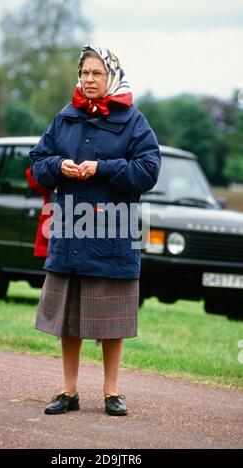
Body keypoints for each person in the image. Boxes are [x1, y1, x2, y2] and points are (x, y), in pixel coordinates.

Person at [29, 45, 161, 416]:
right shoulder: (64, 118)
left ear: (111, 77)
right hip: (69, 230)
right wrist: (59, 165)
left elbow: (148, 172)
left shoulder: (134, 121)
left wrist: (100, 168)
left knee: (112, 321)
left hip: (115, 233)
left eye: (97, 74)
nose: (89, 80)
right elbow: (37, 164)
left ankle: (112, 393)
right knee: (68, 320)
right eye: (85, 73)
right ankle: (68, 392)